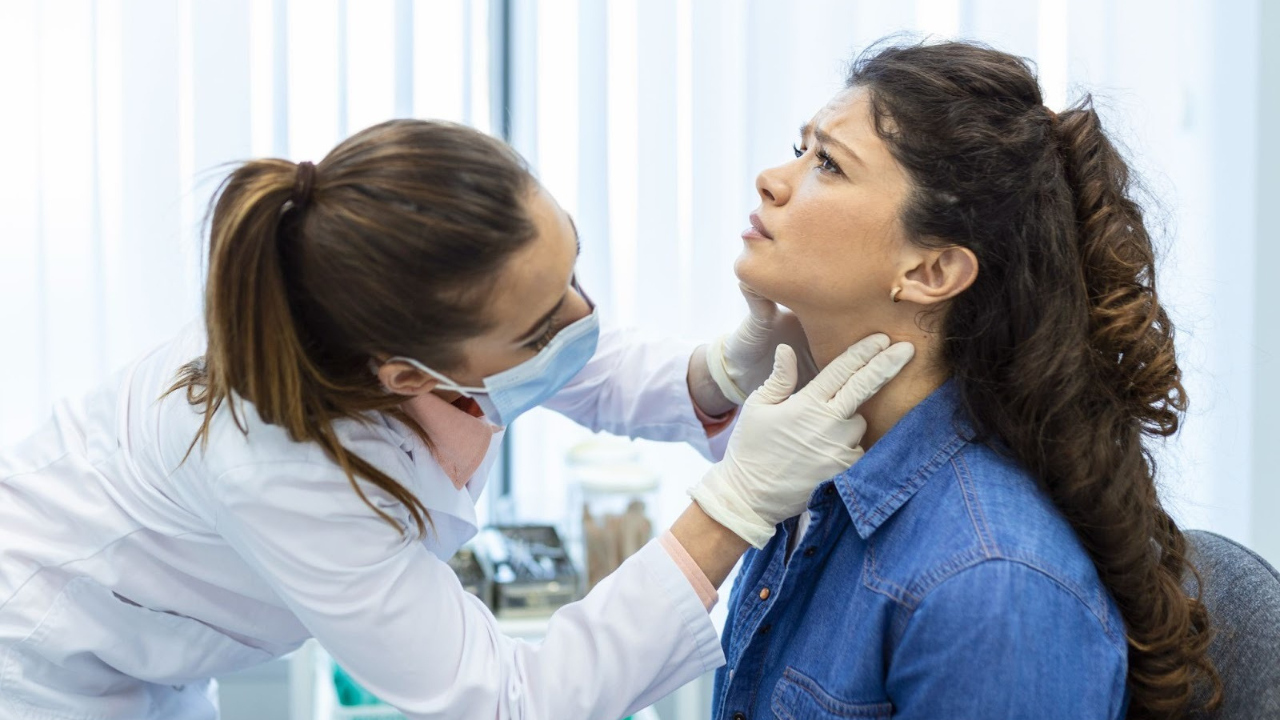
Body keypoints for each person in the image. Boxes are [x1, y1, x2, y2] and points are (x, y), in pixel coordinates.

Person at [0, 119, 915, 720]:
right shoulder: (279, 466)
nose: (583, 321)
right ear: (406, 374)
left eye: (571, 276)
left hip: (159, 653)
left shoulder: (414, 306)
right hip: (54, 667)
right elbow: (506, 704)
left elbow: (569, 362)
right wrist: (733, 508)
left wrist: (715, 375)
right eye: (545, 319)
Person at [712, 40, 1221, 720]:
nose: (773, 180)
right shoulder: (815, 478)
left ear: (932, 271)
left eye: (827, 164)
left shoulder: (992, 585)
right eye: (800, 149)